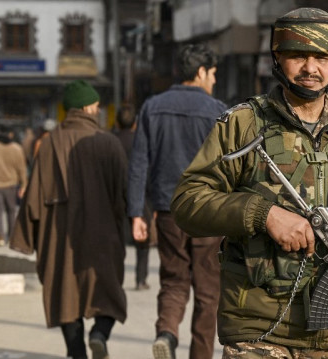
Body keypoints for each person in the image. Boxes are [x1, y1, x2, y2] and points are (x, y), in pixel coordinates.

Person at [170, 8, 328, 358]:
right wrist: (262, 214)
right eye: (299, 55)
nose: (311, 68)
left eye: (323, 57)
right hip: (257, 328)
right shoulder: (244, 126)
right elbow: (188, 202)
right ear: (277, 58)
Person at [10, 80, 128, 359]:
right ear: (87, 107)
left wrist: (26, 237)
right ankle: (99, 334)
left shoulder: (48, 144)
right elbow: (123, 193)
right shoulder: (108, 142)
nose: (98, 111)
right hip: (102, 234)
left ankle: (77, 353)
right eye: (97, 106)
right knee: (109, 292)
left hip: (58, 237)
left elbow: (34, 195)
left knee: (65, 297)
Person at [127, 44, 227, 359]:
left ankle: (167, 333)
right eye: (212, 74)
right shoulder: (218, 111)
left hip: (169, 211)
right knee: (209, 293)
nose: (213, 81)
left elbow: (139, 163)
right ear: (200, 72)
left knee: (173, 281)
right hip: (210, 213)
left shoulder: (152, 107)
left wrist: (136, 214)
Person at [114, 104, 153, 291]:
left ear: (117, 122)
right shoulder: (141, 140)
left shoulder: (110, 141)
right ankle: (140, 279)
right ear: (135, 124)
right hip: (140, 196)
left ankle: (116, 279)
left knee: (116, 242)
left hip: (115, 197)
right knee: (143, 242)